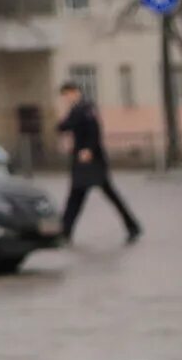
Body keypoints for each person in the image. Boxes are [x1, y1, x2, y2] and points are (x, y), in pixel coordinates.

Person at [55, 80, 143, 245]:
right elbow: (62, 127)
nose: (65, 98)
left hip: (91, 161)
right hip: (82, 161)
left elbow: (95, 130)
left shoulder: (86, 108)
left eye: (66, 95)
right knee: (76, 196)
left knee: (107, 194)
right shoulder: (76, 109)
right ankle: (64, 232)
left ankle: (132, 226)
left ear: (74, 92)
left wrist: (88, 149)